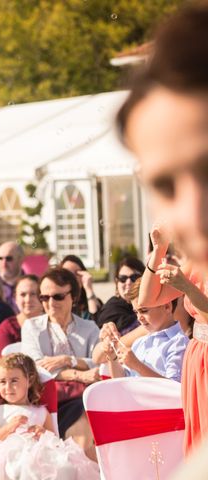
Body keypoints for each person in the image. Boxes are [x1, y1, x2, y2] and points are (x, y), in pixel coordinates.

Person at [116, 1, 208, 463]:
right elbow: (146, 300)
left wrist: (189, 286)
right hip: (199, 362)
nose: (193, 212)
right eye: (166, 185)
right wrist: (158, 249)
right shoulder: (190, 245)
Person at [0, 353, 99, 480]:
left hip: (42, 457)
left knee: (66, 466)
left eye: (14, 381)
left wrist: (43, 432)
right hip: (12, 460)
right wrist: (8, 428)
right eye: (2, 382)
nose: (8, 387)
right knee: (26, 467)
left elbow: (55, 441)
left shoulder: (42, 412)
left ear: (29, 380)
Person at [21, 268, 99, 458]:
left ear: (73, 297)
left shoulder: (89, 328)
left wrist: (68, 360)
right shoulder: (32, 327)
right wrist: (79, 373)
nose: (50, 303)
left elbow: (98, 363)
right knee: (86, 435)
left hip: (86, 397)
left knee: (92, 423)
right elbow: (35, 367)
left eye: (57, 296)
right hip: (49, 400)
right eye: (44, 297)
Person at [105, 278, 188, 381]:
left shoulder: (178, 343)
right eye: (136, 312)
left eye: (144, 311)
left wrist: (137, 365)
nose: (139, 317)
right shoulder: (140, 342)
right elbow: (122, 380)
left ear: (167, 307)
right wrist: (112, 357)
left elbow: (173, 387)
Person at [0, 274, 43, 358]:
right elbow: (3, 365)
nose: (28, 300)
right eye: (23, 295)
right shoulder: (7, 327)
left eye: (33, 294)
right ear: (15, 298)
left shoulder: (52, 323)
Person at [95, 256, 145, 334]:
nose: (128, 282)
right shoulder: (111, 310)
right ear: (116, 282)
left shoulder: (154, 304)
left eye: (134, 277)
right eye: (123, 278)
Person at [60, 255, 102, 320]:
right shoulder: (55, 301)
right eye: (67, 273)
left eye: (77, 273)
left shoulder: (91, 302)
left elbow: (97, 323)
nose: (72, 278)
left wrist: (89, 289)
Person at [0, 241, 25, 313]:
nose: (3, 263)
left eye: (9, 258)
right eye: (0, 258)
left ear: (20, 260)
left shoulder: (32, 284)